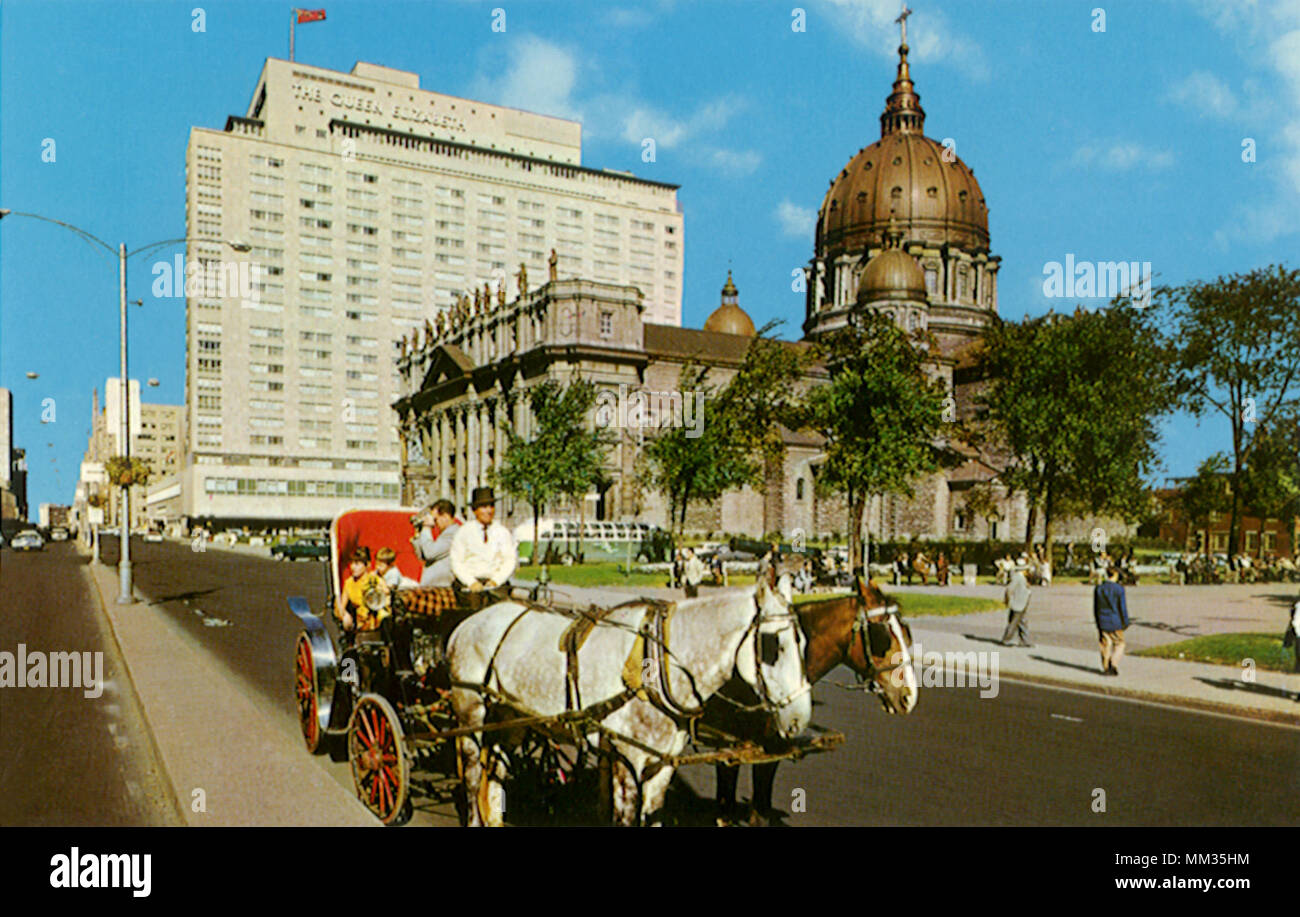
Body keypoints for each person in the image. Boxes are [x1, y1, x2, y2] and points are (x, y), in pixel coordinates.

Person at [450, 486, 517, 609]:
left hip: (495, 584)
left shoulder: (502, 532)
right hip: (470, 584)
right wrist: (471, 582)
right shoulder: (464, 532)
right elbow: (456, 562)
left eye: (491, 506)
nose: (489, 511)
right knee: (473, 611)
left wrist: (496, 580)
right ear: (475, 510)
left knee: (504, 611)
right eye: (484, 507)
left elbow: (509, 560)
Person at [335, 546, 390, 636]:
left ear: (367, 565)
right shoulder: (349, 583)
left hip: (378, 622)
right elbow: (340, 607)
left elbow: (386, 598)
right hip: (361, 625)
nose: (353, 567)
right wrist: (345, 615)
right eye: (352, 563)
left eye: (357, 564)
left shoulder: (374, 580)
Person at [1093, 566, 1130, 676]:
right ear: (1115, 575)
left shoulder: (1099, 588)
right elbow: (1122, 607)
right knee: (1120, 644)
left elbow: (1096, 607)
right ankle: (1113, 663)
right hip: (1115, 620)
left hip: (1102, 620)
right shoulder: (1119, 589)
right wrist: (1125, 621)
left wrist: (1097, 620)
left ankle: (1105, 666)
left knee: (1105, 644)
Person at [415, 499, 460, 587]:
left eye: (435, 519)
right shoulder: (445, 534)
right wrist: (419, 533)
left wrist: (427, 528)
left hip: (441, 586)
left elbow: (430, 553)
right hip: (433, 586)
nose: (434, 524)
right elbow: (422, 556)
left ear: (445, 516)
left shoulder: (453, 534)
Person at [1000, 566, 1033, 647]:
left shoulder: (1022, 578)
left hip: (1022, 603)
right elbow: (1009, 589)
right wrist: (1007, 600)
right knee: (1014, 622)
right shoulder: (1018, 577)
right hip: (1018, 603)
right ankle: (1007, 639)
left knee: (1023, 622)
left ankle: (1024, 640)